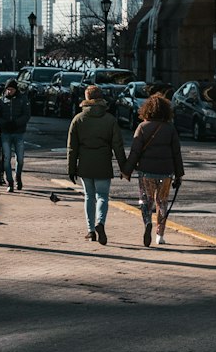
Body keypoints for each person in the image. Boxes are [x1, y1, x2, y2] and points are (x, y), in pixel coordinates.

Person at [67, 84, 127, 244]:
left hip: (85, 164)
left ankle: (91, 230)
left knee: (89, 196)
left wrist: (71, 169)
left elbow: (72, 148)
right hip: (103, 163)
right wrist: (124, 167)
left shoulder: (78, 119)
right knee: (102, 196)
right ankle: (100, 222)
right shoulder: (110, 120)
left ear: (86, 98)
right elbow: (118, 146)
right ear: (101, 98)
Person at [123, 92, 183, 247]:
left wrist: (127, 170)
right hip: (166, 172)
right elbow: (177, 153)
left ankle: (147, 222)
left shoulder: (142, 127)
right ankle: (160, 235)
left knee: (146, 200)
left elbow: (135, 152)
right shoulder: (170, 129)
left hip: (146, 171)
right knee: (162, 202)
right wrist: (179, 174)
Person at [0, 78, 31, 192]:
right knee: (6, 158)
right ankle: (10, 182)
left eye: (11, 89)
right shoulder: (1, 100)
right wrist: (5, 123)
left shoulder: (22, 99)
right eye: (8, 89)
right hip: (6, 133)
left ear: (15, 89)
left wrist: (16, 123)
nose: (9, 91)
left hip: (18, 132)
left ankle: (18, 177)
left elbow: (27, 115)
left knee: (20, 159)